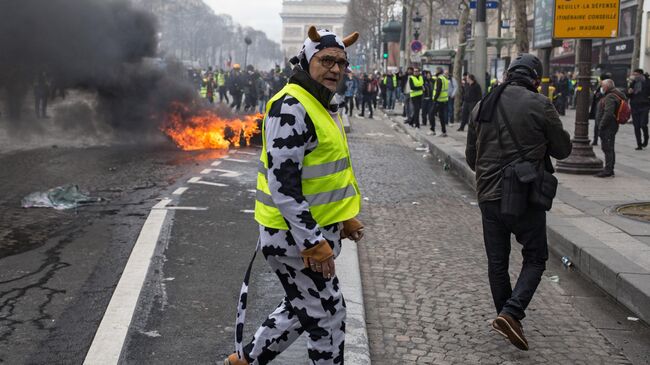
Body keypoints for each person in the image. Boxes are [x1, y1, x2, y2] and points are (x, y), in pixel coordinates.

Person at [224, 26, 365, 365]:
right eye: (326, 60)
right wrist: (312, 241)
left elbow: (325, 173)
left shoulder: (319, 103)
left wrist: (343, 217)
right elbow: (283, 185)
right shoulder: (291, 106)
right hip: (294, 237)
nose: (335, 68)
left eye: (341, 63)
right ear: (305, 59)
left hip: (309, 230)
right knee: (328, 315)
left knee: (302, 306)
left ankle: (245, 360)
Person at [465, 54, 572, 351]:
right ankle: (511, 313)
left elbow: (471, 157)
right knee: (536, 257)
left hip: (488, 195)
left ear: (508, 75)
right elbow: (563, 149)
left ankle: (507, 316)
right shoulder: (540, 104)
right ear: (535, 80)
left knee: (497, 262)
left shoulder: (482, 105)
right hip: (524, 194)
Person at [596, 79, 627, 177]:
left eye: (603, 86)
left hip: (608, 126)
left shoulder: (610, 96)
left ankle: (608, 170)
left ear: (608, 86)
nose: (602, 88)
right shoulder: (614, 94)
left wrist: (601, 125)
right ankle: (610, 168)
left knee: (607, 148)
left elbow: (608, 113)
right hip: (611, 126)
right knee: (609, 147)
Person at [627, 68, 650, 150]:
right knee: (636, 126)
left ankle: (646, 138)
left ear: (640, 74)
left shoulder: (647, 82)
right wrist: (629, 93)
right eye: (634, 75)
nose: (634, 76)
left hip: (645, 106)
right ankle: (639, 144)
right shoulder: (633, 83)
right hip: (635, 106)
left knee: (643, 124)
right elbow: (628, 95)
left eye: (636, 75)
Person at [589, 73, 612, 146]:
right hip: (597, 108)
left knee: (602, 125)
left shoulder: (609, 88)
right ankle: (595, 140)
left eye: (601, 80)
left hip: (604, 109)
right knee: (596, 125)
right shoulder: (599, 87)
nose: (600, 81)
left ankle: (604, 139)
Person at [429, 67, 448, 136]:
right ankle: (444, 131)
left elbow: (438, 90)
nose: (435, 72)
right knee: (441, 116)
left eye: (436, 70)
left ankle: (432, 130)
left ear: (438, 71)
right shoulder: (444, 78)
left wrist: (435, 99)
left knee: (431, 114)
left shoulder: (440, 79)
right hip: (443, 100)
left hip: (438, 100)